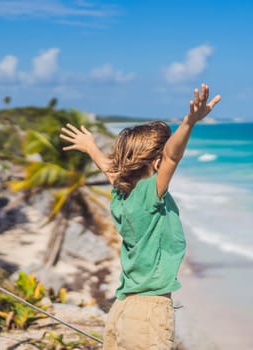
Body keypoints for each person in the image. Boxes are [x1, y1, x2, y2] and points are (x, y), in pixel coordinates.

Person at [59, 84, 221, 349]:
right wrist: (189, 122)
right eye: (162, 158)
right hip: (149, 311)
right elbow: (172, 156)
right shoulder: (150, 194)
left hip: (122, 308)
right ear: (156, 163)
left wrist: (91, 148)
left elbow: (111, 172)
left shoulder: (123, 195)